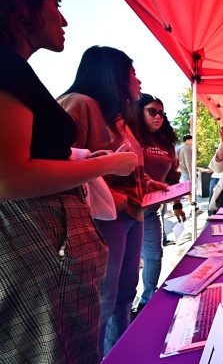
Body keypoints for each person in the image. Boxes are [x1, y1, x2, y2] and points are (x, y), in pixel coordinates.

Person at [0, 0, 137, 363]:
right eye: (56, 4)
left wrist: (76, 157)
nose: (63, 18)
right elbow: (10, 177)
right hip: (42, 254)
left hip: (52, 255)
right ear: (24, 7)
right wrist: (108, 162)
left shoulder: (16, 70)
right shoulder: (8, 67)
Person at [58, 45, 168, 356]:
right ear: (114, 75)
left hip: (133, 215)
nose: (139, 81)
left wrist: (146, 182)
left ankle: (123, 353)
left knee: (124, 294)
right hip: (104, 220)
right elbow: (63, 166)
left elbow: (124, 164)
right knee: (102, 303)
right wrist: (115, 199)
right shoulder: (78, 105)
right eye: (133, 73)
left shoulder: (120, 118)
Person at [132, 93, 186, 318]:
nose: (158, 117)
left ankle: (147, 301)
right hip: (126, 210)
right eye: (151, 111)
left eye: (161, 113)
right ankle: (123, 308)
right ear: (139, 112)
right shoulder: (131, 136)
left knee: (155, 256)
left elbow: (174, 178)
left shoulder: (166, 144)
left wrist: (177, 205)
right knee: (129, 263)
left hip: (152, 210)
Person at [177, 134, 195, 207]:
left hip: (180, 171)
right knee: (190, 191)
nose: (193, 142)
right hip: (186, 172)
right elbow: (189, 163)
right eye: (192, 140)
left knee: (185, 191)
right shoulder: (187, 148)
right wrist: (191, 175)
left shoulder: (179, 147)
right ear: (188, 140)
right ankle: (193, 207)